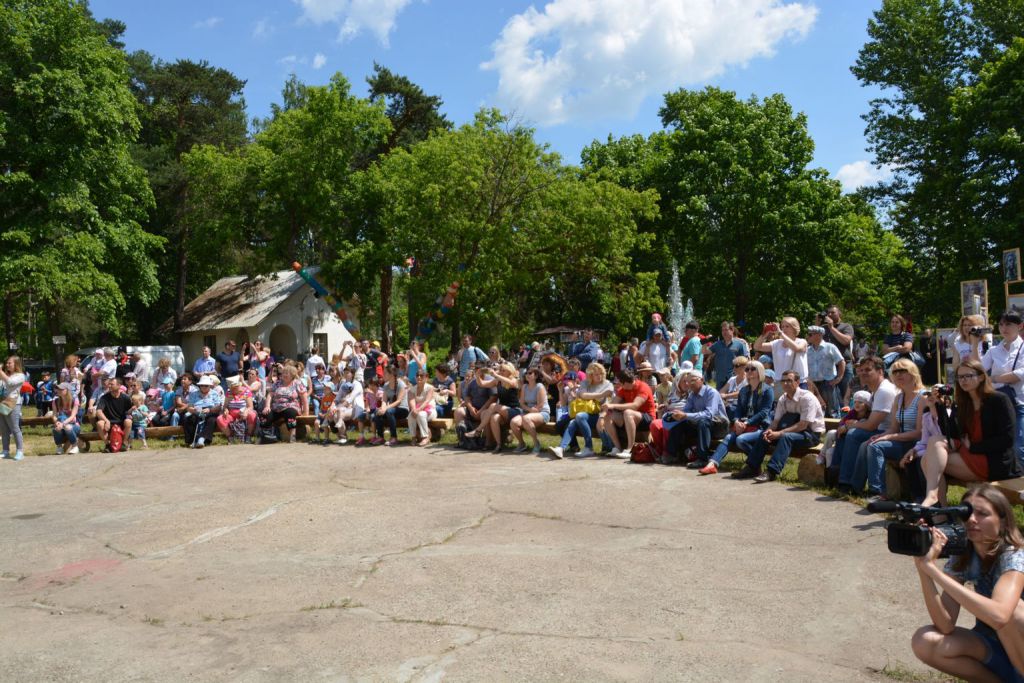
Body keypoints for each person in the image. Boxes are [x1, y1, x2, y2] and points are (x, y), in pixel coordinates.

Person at [910, 484, 1024, 682]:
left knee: (1012, 611)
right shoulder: (964, 554)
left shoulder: (1015, 554)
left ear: (1003, 521)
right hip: (995, 647)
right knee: (925, 640)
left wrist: (935, 572)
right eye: (967, 513)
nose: (972, 520)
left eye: (982, 514)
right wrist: (923, 567)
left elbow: (999, 616)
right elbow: (945, 625)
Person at [920, 359, 1022, 506]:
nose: (963, 380)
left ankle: (938, 509)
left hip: (993, 460)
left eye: (968, 376)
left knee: (928, 461)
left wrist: (974, 447)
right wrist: (939, 405)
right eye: (960, 377)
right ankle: (935, 501)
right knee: (934, 442)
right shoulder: (963, 402)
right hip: (969, 452)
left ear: (981, 377)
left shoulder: (999, 400)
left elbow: (1007, 439)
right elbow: (952, 434)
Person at [731, 370, 825, 482]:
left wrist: (779, 433)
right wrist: (769, 431)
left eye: (789, 381)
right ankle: (752, 468)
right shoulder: (783, 398)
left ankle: (771, 472)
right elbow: (775, 422)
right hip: (790, 431)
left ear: (797, 382)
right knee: (764, 435)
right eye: (783, 381)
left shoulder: (807, 398)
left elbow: (803, 425)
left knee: (786, 437)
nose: (785, 384)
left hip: (810, 434)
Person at [855, 358, 925, 501]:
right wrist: (881, 436)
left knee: (876, 447)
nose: (898, 375)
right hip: (902, 441)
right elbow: (894, 428)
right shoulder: (899, 398)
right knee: (873, 443)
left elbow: (920, 432)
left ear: (913, 373)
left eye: (903, 371)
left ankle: (878, 493)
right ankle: (863, 489)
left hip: (918, 444)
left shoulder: (922, 397)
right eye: (895, 372)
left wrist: (888, 437)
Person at [831, 356, 898, 493]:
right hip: (881, 430)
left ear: (880, 372)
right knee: (844, 434)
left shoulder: (884, 390)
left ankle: (846, 482)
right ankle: (840, 479)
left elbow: (871, 426)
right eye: (860, 370)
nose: (862, 373)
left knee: (854, 434)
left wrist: (851, 425)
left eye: (868, 370)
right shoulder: (876, 390)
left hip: (890, 434)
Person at [699, 360, 774, 475]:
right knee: (729, 437)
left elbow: (764, 412)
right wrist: (736, 421)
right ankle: (712, 464)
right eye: (747, 369)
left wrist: (747, 422)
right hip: (745, 425)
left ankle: (755, 465)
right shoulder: (744, 390)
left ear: (760, 371)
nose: (748, 371)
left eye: (752, 369)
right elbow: (738, 410)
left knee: (740, 440)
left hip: (760, 426)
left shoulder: (767, 390)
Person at [973, 311, 1024, 468]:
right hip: (996, 403)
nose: (1004, 328)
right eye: (1001, 324)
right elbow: (977, 369)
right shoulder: (994, 350)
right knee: (997, 444)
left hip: (1018, 403)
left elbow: (1019, 374)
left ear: (1020, 326)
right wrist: (974, 344)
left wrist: (993, 379)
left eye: (1008, 324)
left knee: (1018, 447)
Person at [548, 361, 614, 459]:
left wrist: (591, 396)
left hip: (600, 415)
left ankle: (588, 447)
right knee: (573, 422)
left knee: (578, 416)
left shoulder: (607, 384)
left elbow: (604, 399)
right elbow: (583, 395)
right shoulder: (585, 383)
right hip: (586, 414)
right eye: (596, 374)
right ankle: (561, 449)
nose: (599, 376)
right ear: (590, 375)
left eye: (601, 373)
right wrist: (601, 394)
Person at [665, 370, 729, 469]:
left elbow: (709, 414)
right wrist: (677, 415)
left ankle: (702, 459)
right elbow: (686, 412)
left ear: (702, 380)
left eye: (693, 381)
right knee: (680, 423)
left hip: (720, 426)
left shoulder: (712, 392)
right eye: (687, 381)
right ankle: (672, 454)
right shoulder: (692, 395)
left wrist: (685, 415)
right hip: (703, 425)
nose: (689, 384)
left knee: (703, 421)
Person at [600, 369, 656, 458]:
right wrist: (602, 416)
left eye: (620, 383)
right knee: (609, 415)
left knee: (628, 412)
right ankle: (617, 448)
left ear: (625, 383)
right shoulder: (623, 389)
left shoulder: (643, 387)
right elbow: (612, 404)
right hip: (630, 418)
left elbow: (635, 406)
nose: (618, 385)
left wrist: (613, 406)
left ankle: (630, 449)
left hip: (647, 418)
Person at [471, 362, 520, 453]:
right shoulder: (498, 381)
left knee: (493, 405)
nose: (501, 372)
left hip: (514, 410)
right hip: (501, 410)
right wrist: (477, 375)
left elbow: (511, 384)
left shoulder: (514, 380)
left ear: (510, 371)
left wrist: (496, 375)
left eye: (503, 370)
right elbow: (482, 384)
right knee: (492, 416)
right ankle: (498, 444)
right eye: (500, 370)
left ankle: (478, 430)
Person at [754, 317, 808, 387]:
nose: (784, 329)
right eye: (782, 327)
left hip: (798, 383)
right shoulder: (777, 343)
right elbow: (757, 347)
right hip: (781, 382)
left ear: (794, 328)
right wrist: (764, 334)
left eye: (787, 326)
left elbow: (796, 348)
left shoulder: (802, 341)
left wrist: (780, 333)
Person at [805, 325, 846, 418]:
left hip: (828, 383)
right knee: (814, 408)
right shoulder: (807, 350)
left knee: (832, 410)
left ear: (819, 335)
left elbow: (841, 362)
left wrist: (839, 378)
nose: (808, 336)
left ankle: (834, 430)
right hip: (813, 384)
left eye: (810, 334)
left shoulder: (830, 347)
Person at [453, 361, 497, 446]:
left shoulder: (490, 380)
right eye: (476, 368)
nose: (477, 370)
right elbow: (467, 397)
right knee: (458, 411)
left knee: (485, 413)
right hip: (473, 409)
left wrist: (481, 410)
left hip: (485, 409)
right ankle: (462, 440)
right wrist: (470, 408)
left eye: (479, 368)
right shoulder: (472, 381)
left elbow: (493, 398)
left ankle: (488, 442)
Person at [262, 364, 307, 444]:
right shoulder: (277, 383)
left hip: (291, 406)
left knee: (290, 413)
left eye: (287, 373)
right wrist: (267, 406)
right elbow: (270, 395)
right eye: (283, 373)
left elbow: (304, 397)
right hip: (276, 408)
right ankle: (266, 436)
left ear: (292, 375)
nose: (284, 375)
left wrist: (305, 411)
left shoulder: (297, 383)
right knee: (266, 414)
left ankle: (292, 436)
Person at [510, 368, 549, 454]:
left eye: (530, 373)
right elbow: (522, 403)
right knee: (513, 422)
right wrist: (529, 409)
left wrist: (531, 410)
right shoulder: (524, 386)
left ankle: (536, 443)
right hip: (529, 412)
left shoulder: (540, 386)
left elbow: (540, 405)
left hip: (542, 412)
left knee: (526, 419)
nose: (527, 375)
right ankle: (522, 444)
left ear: (536, 375)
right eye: (526, 373)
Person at [822, 305, 855, 402]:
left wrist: (832, 328)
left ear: (839, 314)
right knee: (829, 394)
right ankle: (833, 415)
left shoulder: (846, 326)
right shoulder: (823, 328)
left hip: (844, 364)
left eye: (833, 312)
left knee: (846, 393)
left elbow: (846, 341)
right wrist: (817, 324)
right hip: (828, 365)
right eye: (828, 313)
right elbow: (813, 341)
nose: (830, 314)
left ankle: (847, 414)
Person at [706, 322, 750, 388]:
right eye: (722, 330)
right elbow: (705, 351)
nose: (724, 332)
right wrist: (704, 342)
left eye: (726, 330)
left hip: (734, 378)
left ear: (732, 330)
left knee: (731, 397)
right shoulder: (717, 344)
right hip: (720, 378)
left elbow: (745, 361)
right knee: (720, 397)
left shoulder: (740, 344)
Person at [372, 365, 409, 446]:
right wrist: (382, 408)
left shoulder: (401, 384)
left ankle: (394, 437)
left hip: (402, 409)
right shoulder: (386, 385)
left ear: (391, 374)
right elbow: (384, 400)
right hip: (391, 409)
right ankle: (381, 437)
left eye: (385, 373)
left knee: (389, 411)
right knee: (377, 412)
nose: (383, 375)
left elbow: (399, 401)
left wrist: (386, 408)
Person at [95, 379, 133, 452]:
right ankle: (107, 445)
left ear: (119, 386)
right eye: (109, 384)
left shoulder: (125, 398)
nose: (109, 386)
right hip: (109, 423)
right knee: (99, 423)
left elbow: (129, 412)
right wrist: (106, 421)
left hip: (121, 422)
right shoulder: (104, 398)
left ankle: (123, 443)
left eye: (112, 384)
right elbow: (98, 411)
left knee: (128, 421)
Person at [182, 376, 221, 448]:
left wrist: (210, 410)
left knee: (211, 420)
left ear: (210, 386)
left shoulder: (215, 393)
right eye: (202, 385)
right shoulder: (193, 394)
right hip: (197, 410)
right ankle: (191, 441)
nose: (204, 387)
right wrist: (192, 409)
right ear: (199, 385)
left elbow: (218, 407)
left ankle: (201, 439)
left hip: (210, 410)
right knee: (188, 419)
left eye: (206, 385)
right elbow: (189, 406)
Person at [217, 379, 257, 443]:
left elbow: (250, 407)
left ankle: (249, 436)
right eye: (232, 388)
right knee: (220, 418)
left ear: (239, 386)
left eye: (235, 388)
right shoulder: (229, 392)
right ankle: (230, 437)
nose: (233, 390)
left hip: (243, 413)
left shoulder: (246, 391)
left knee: (252, 415)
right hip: (231, 414)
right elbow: (225, 406)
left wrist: (246, 412)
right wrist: (225, 410)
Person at [50, 382, 81, 455]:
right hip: (61, 424)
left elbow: (72, 416)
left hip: (73, 425)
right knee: (56, 428)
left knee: (67, 427)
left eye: (61, 389)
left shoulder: (74, 400)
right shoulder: (55, 401)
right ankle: (59, 447)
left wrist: (62, 423)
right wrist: (56, 422)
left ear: (67, 390)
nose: (58, 390)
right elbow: (54, 415)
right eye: (58, 389)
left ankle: (75, 446)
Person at [407, 371, 436, 446]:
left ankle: (425, 437)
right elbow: (411, 400)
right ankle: (413, 437)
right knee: (410, 416)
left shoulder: (430, 387)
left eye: (421, 375)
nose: (419, 377)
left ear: (426, 378)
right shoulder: (412, 389)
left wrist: (418, 410)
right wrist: (414, 409)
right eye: (417, 375)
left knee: (421, 414)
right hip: (417, 409)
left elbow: (427, 401)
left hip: (430, 410)